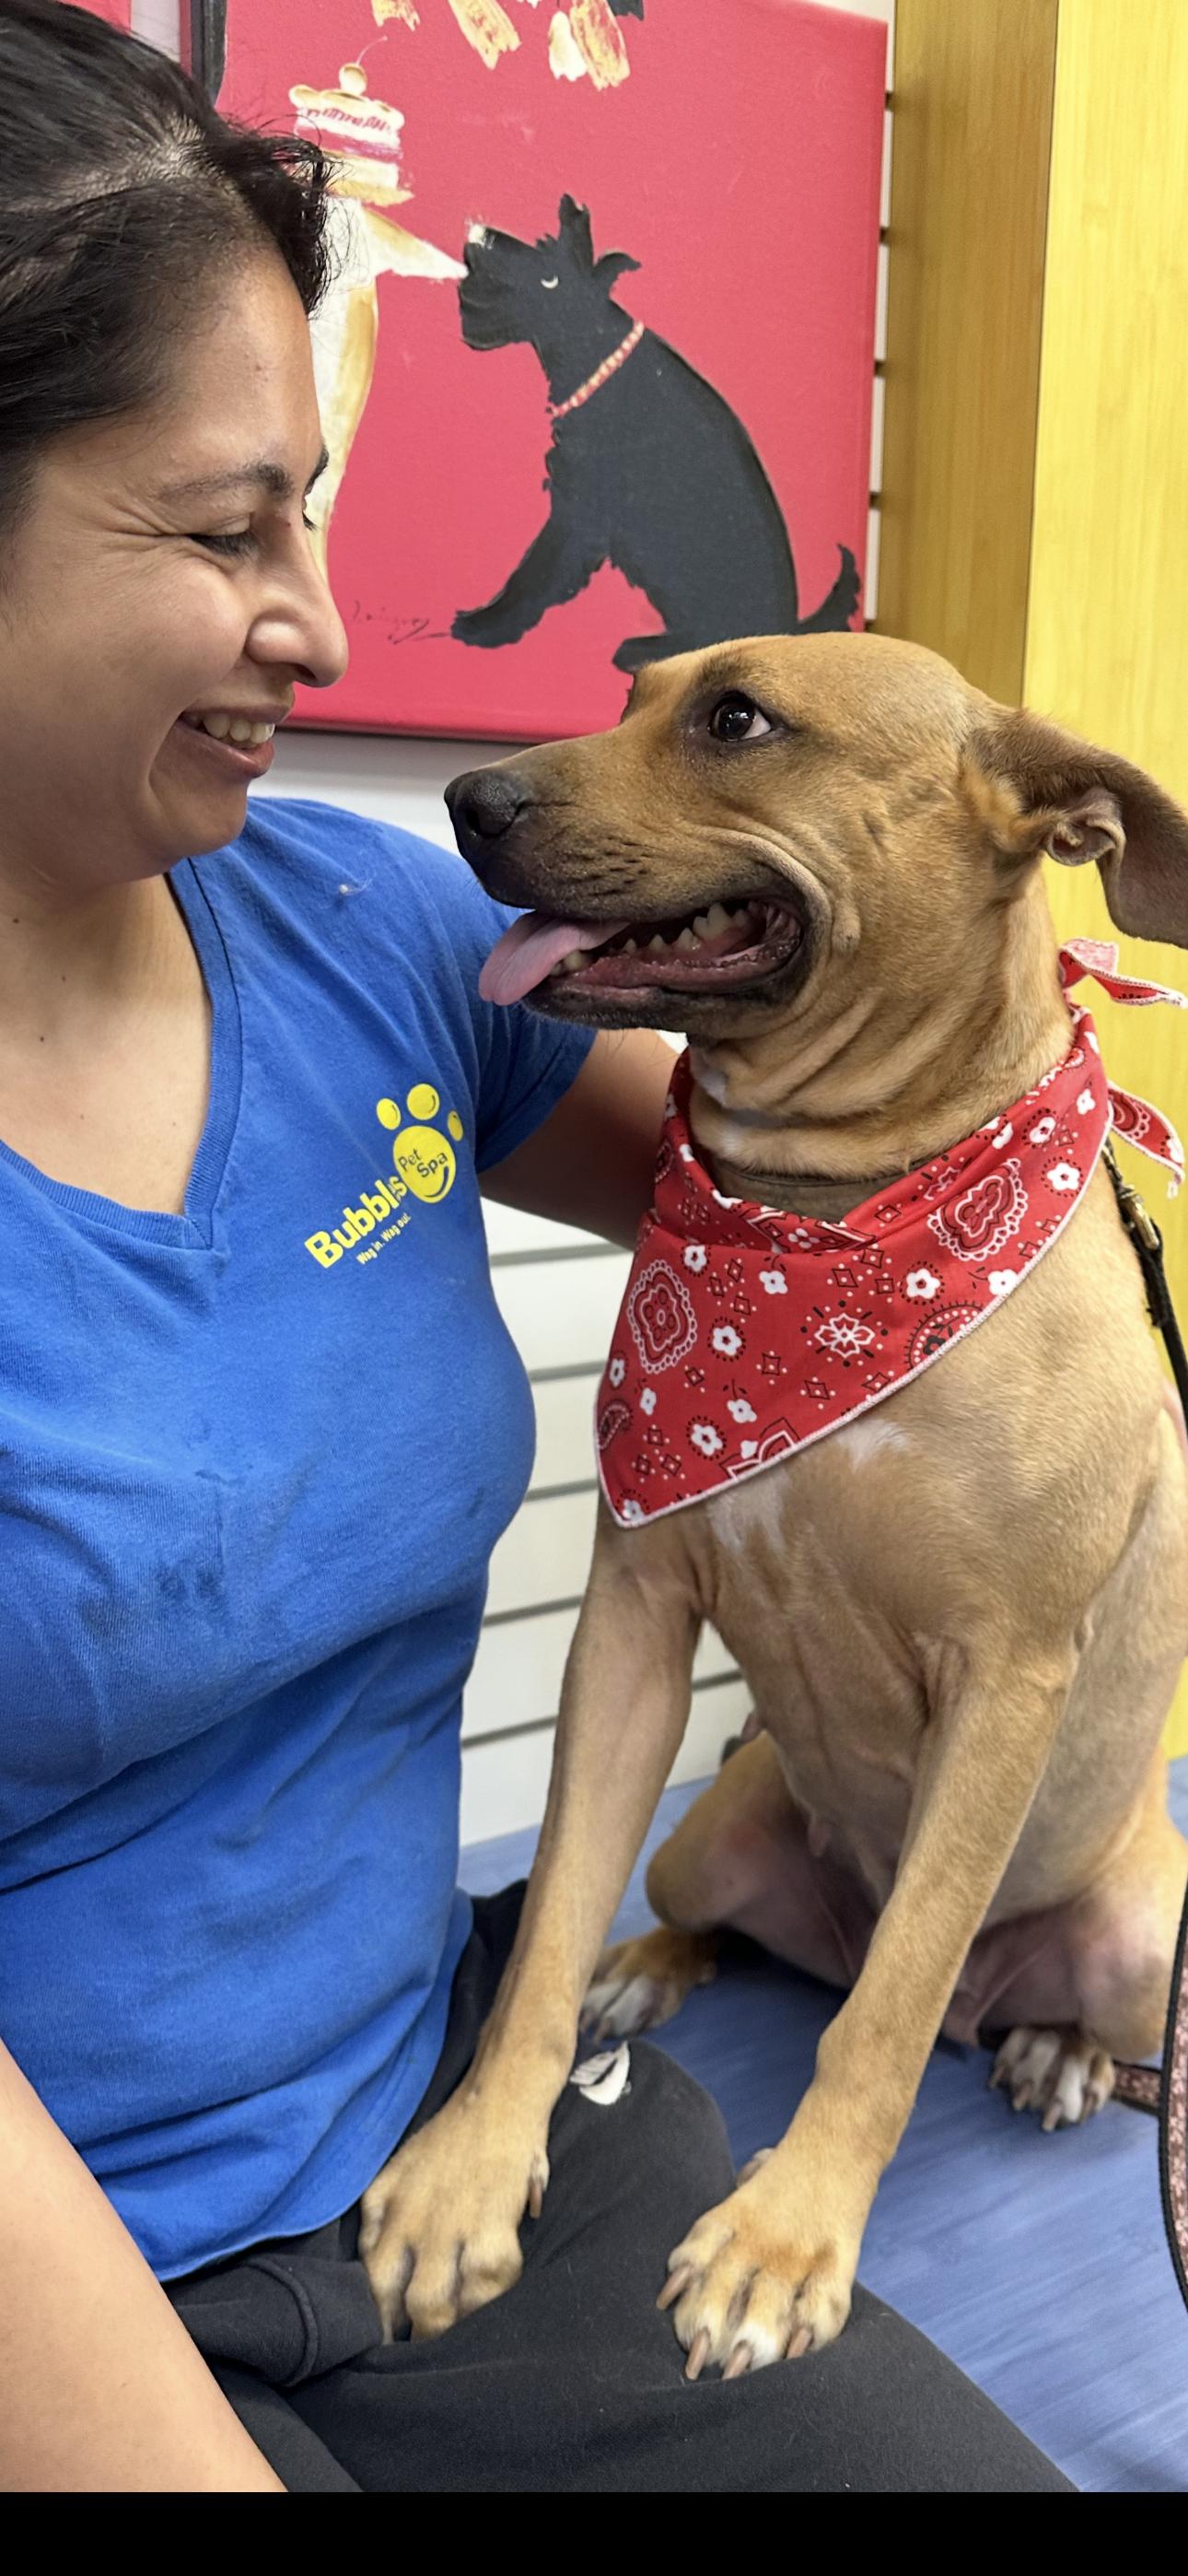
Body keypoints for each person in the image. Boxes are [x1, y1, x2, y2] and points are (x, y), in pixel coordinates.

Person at [0, 2, 1071, 2493]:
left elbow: (837, 1224)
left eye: (322, 513)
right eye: (225, 526)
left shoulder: (361, 937)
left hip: (452, 2131)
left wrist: (972, 999)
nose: (324, 629)